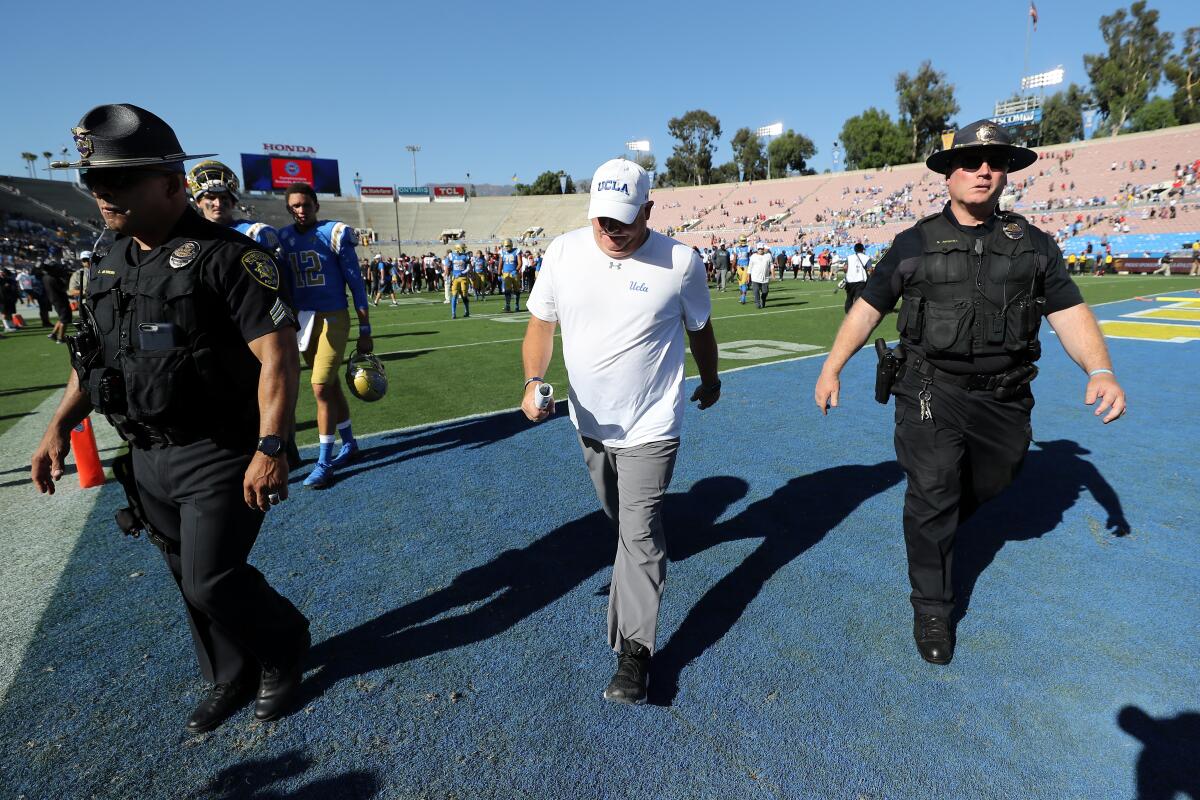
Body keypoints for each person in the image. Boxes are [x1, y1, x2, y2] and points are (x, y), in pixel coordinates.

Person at [32, 103, 310, 733]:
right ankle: (228, 673)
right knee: (186, 579)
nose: (102, 192)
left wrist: (271, 445)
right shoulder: (109, 259)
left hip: (219, 448)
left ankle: (285, 644)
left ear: (169, 182)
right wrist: (58, 427)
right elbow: (94, 358)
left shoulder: (228, 257)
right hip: (146, 453)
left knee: (213, 577)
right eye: (94, 181)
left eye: (118, 179)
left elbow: (277, 355)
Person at [813, 119, 1127, 666]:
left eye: (997, 162)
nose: (984, 170)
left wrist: (1099, 371)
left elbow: (1070, 313)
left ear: (1007, 173)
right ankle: (933, 605)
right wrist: (832, 366)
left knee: (998, 476)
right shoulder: (914, 243)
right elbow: (869, 308)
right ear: (948, 174)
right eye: (971, 162)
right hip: (931, 388)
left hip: (1005, 397)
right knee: (933, 489)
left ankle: (937, 526)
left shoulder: (1033, 246)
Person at [520, 158, 721, 704]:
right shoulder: (562, 252)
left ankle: (636, 656)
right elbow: (541, 324)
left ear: (648, 212)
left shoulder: (681, 262)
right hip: (589, 422)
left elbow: (700, 327)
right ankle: (640, 555)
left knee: (638, 533)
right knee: (620, 519)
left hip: (653, 422)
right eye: (602, 219)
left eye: (624, 220)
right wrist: (534, 380)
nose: (611, 230)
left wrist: (710, 377)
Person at [278, 182, 373, 489]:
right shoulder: (283, 238)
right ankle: (349, 444)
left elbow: (356, 284)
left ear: (316, 205)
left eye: (306, 204)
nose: (301, 210)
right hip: (303, 322)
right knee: (330, 386)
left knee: (319, 387)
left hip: (333, 317)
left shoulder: (335, 232)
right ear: (289, 208)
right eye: (295, 206)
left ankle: (324, 462)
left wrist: (365, 328)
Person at [186, 160, 281, 257]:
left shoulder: (255, 232)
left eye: (224, 198)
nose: (218, 204)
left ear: (233, 202)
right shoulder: (190, 237)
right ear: (198, 202)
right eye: (211, 197)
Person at [446, 242, 472, 319]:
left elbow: (468, 268)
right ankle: (453, 313)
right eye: (463, 248)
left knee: (464, 295)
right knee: (454, 295)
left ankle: (467, 311)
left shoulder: (466, 256)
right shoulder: (451, 255)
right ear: (458, 249)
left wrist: (461, 273)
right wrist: (447, 276)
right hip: (455, 278)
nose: (464, 250)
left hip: (463, 277)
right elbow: (448, 266)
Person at [843, 242, 870, 314]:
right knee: (859, 298)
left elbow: (845, 268)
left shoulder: (849, 257)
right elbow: (870, 269)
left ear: (855, 249)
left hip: (849, 281)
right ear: (862, 250)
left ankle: (848, 313)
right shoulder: (866, 258)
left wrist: (848, 273)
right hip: (861, 281)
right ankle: (858, 313)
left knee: (849, 298)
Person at [498, 238, 523, 311]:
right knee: (507, 290)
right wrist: (499, 274)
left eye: (508, 246)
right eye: (505, 246)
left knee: (516, 290)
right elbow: (500, 263)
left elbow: (520, 263)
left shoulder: (516, 251)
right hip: (506, 274)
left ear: (511, 245)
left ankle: (516, 305)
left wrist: (516, 270)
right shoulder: (502, 252)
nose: (507, 247)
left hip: (514, 273)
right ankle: (507, 305)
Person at [748, 242, 772, 308]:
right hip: (755, 278)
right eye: (759, 249)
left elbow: (771, 265)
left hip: (765, 278)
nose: (760, 250)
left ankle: (763, 300)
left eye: (761, 249)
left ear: (763, 249)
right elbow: (750, 267)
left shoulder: (768, 256)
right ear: (757, 249)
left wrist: (773, 274)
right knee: (756, 292)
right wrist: (748, 276)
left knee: (765, 292)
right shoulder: (753, 256)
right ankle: (757, 303)